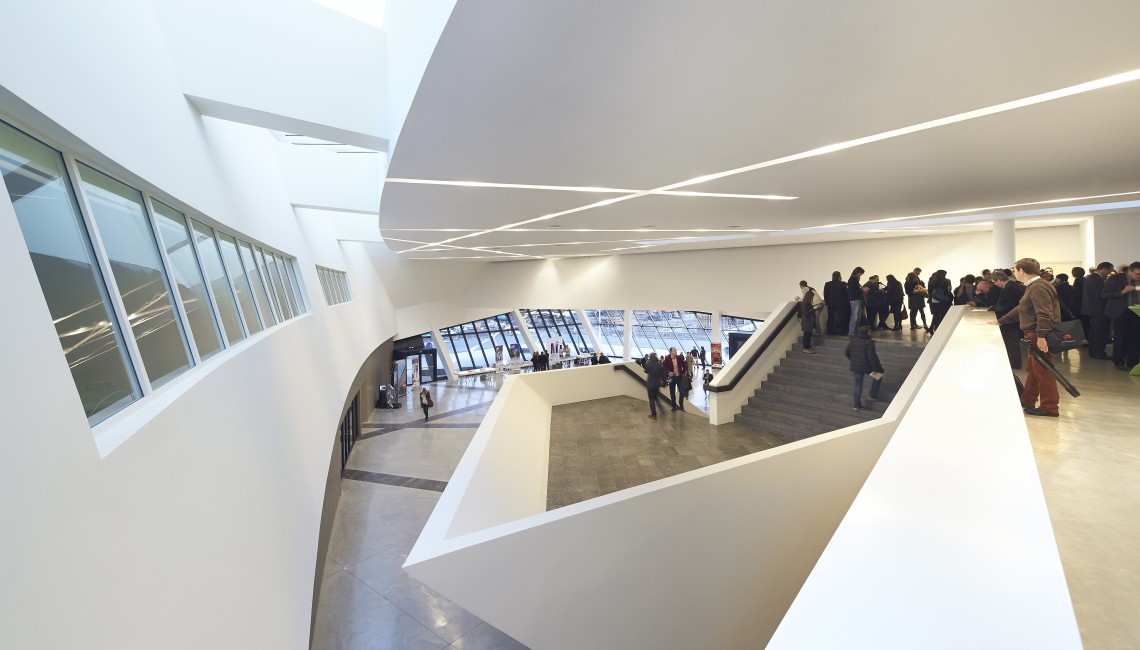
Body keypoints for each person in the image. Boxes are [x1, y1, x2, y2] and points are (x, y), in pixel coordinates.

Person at [996, 258, 1061, 417]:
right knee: (1034, 370)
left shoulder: (1038, 287)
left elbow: (1044, 313)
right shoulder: (1035, 286)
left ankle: (1050, 407)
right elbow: (1022, 308)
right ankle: (1027, 400)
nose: (1014, 273)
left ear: (1021, 271)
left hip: (1037, 334)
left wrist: (1041, 336)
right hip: (1034, 334)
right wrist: (1001, 321)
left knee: (1043, 371)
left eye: (1015, 270)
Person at [1102, 261, 1140, 371]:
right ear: (1129, 271)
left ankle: (1133, 362)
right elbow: (1104, 294)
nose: (1139, 276)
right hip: (1121, 312)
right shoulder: (1115, 279)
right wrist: (1123, 291)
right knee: (1121, 337)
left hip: (1137, 311)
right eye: (1137, 274)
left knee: (1136, 338)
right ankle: (1119, 362)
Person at [990, 270, 1024, 369]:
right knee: (1012, 342)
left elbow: (1004, 305)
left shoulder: (1009, 288)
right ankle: (1014, 363)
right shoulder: (1013, 285)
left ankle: (1014, 364)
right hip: (1015, 318)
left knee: (1011, 343)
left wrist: (994, 310)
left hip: (1010, 320)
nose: (995, 285)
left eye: (995, 282)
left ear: (999, 280)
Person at [845, 325, 884, 410]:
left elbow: (847, 352)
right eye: (870, 331)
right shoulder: (869, 343)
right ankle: (872, 395)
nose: (871, 332)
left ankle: (856, 405)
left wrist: (853, 360)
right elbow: (872, 357)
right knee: (878, 378)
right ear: (867, 332)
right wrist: (877, 369)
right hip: (867, 367)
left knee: (858, 385)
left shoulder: (854, 340)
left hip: (857, 367)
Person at [1083, 262, 1115, 359]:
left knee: (1095, 331)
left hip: (1094, 309)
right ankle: (1098, 352)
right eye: (1109, 271)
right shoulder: (1096, 279)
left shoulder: (1091, 278)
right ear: (1104, 269)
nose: (1109, 274)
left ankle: (1094, 352)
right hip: (1099, 310)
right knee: (1100, 332)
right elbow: (1101, 294)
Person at [823, 270, 849, 335]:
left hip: (830, 303)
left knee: (830, 318)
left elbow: (825, 294)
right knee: (841, 318)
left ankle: (830, 331)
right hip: (840, 303)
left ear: (833, 276)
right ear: (839, 276)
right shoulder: (842, 284)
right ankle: (842, 332)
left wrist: (827, 301)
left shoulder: (827, 284)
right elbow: (846, 294)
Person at [662, 347, 688, 411]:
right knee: (672, 392)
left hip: (679, 377)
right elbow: (664, 368)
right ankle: (674, 406)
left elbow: (684, 365)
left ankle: (681, 406)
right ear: (671, 352)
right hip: (672, 377)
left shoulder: (679, 358)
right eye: (674, 350)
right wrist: (667, 374)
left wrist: (683, 372)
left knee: (681, 392)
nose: (676, 351)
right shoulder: (667, 359)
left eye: (676, 350)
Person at [797, 280, 818, 353]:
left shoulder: (805, 302)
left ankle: (808, 347)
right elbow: (806, 313)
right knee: (807, 335)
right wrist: (814, 309)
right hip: (806, 321)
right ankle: (805, 348)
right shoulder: (805, 303)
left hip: (807, 321)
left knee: (808, 334)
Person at [643, 353, 665, 419]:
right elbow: (662, 375)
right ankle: (661, 408)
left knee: (651, 399)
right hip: (657, 384)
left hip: (650, 384)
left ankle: (654, 414)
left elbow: (645, 371)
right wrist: (664, 383)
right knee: (656, 397)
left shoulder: (648, 365)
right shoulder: (660, 365)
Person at [847, 266, 866, 336]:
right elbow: (853, 291)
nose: (861, 275)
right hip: (855, 299)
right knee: (855, 317)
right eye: (861, 274)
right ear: (858, 272)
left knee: (857, 318)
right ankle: (852, 333)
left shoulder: (852, 279)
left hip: (856, 299)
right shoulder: (853, 279)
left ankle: (855, 332)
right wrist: (862, 290)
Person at [1071, 266, 1087, 336]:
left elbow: (1076, 294)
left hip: (1079, 305)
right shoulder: (1084, 280)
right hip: (1084, 304)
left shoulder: (1077, 281)